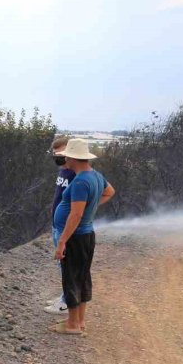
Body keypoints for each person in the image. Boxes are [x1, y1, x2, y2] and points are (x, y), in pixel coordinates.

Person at [50, 138, 115, 335]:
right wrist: (91, 206)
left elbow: (75, 215)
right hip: (86, 235)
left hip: (75, 237)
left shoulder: (80, 182)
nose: (65, 160)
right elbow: (110, 192)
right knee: (82, 277)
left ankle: (72, 325)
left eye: (67, 156)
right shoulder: (95, 176)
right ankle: (79, 321)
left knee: (71, 278)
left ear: (72, 158)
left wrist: (62, 241)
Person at [44, 136, 75, 316]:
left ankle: (66, 302)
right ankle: (65, 296)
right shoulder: (63, 171)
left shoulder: (77, 174)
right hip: (57, 226)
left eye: (61, 154)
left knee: (67, 265)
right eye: (56, 154)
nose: (59, 158)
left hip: (66, 228)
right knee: (62, 265)